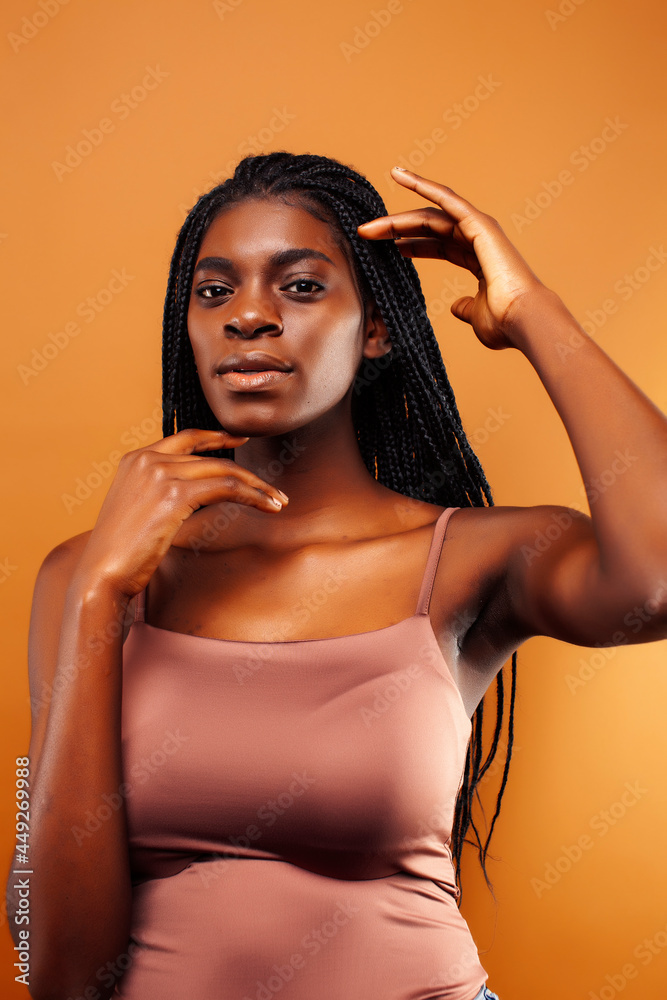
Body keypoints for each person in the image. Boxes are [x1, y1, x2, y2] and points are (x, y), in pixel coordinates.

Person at [7, 150, 666, 1000]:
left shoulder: (468, 558)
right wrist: (101, 594)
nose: (249, 316)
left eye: (301, 286)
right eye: (214, 292)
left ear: (378, 327)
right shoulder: (87, 577)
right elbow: (51, 969)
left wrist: (531, 312)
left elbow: (655, 581)